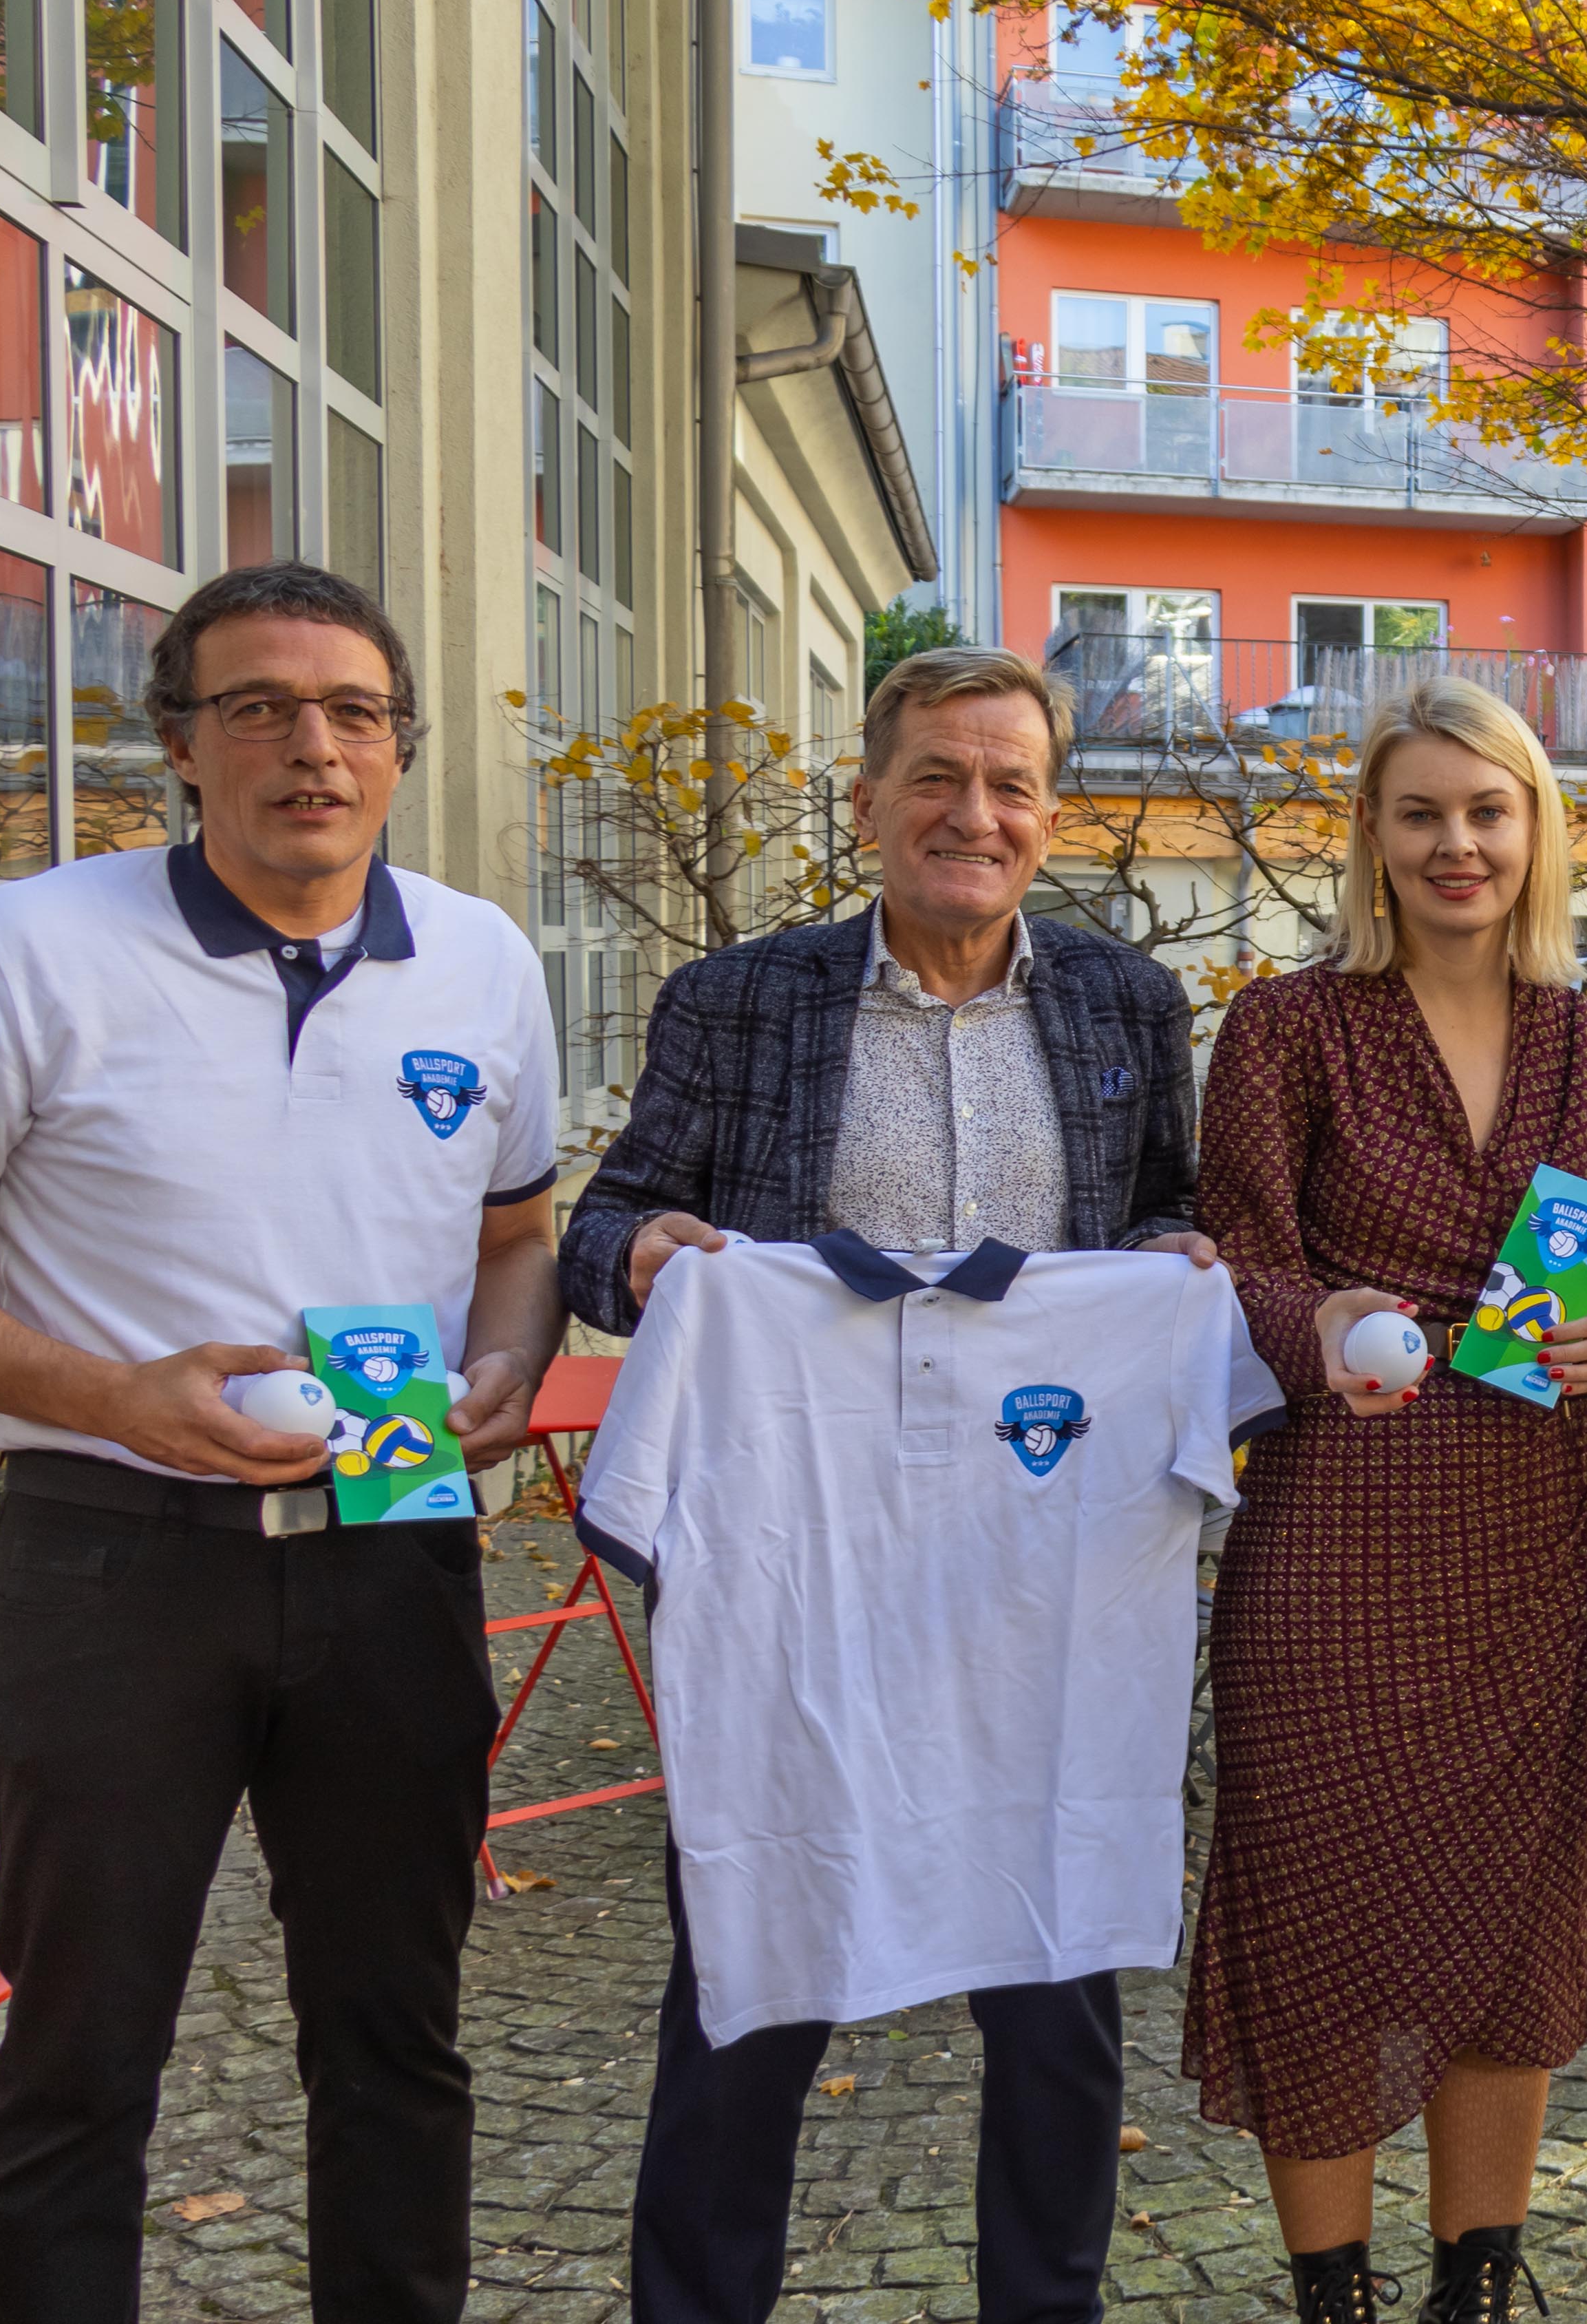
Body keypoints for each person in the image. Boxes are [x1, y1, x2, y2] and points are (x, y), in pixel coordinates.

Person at [562, 644, 1217, 2324]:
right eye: (935, 775)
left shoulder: (1123, 1003)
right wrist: (650, 1250)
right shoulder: (741, 998)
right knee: (751, 1946)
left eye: (1007, 783)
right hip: (808, 1559)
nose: (971, 812)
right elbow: (600, 1220)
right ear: (865, 802)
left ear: (1052, 817)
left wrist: (1171, 1260)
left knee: (1055, 1977)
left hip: (1041, 1561)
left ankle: (1043, 2307)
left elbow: (1157, 1210)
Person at [0, 561, 565, 2323]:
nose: (314, 745)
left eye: (354, 711)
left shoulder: (479, 958)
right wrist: (117, 1395)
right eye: (260, 709)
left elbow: (517, 1238)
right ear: (179, 746)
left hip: (393, 1549)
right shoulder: (28, 948)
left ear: (399, 748)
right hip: (111, 1557)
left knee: (398, 2044)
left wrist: (507, 1370)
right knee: (82, 2051)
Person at [1183, 677, 1587, 2324]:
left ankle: (1477, 2285)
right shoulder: (1289, 1026)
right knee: (1319, 1898)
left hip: (1524, 1533)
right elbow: (1243, 1257)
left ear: (1534, 829)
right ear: (1374, 842)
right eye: (1422, 813)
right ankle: (1331, 2293)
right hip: (1334, 1519)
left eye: (1488, 809)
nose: (1457, 842)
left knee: (1513, 1903)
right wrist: (1312, 1318)